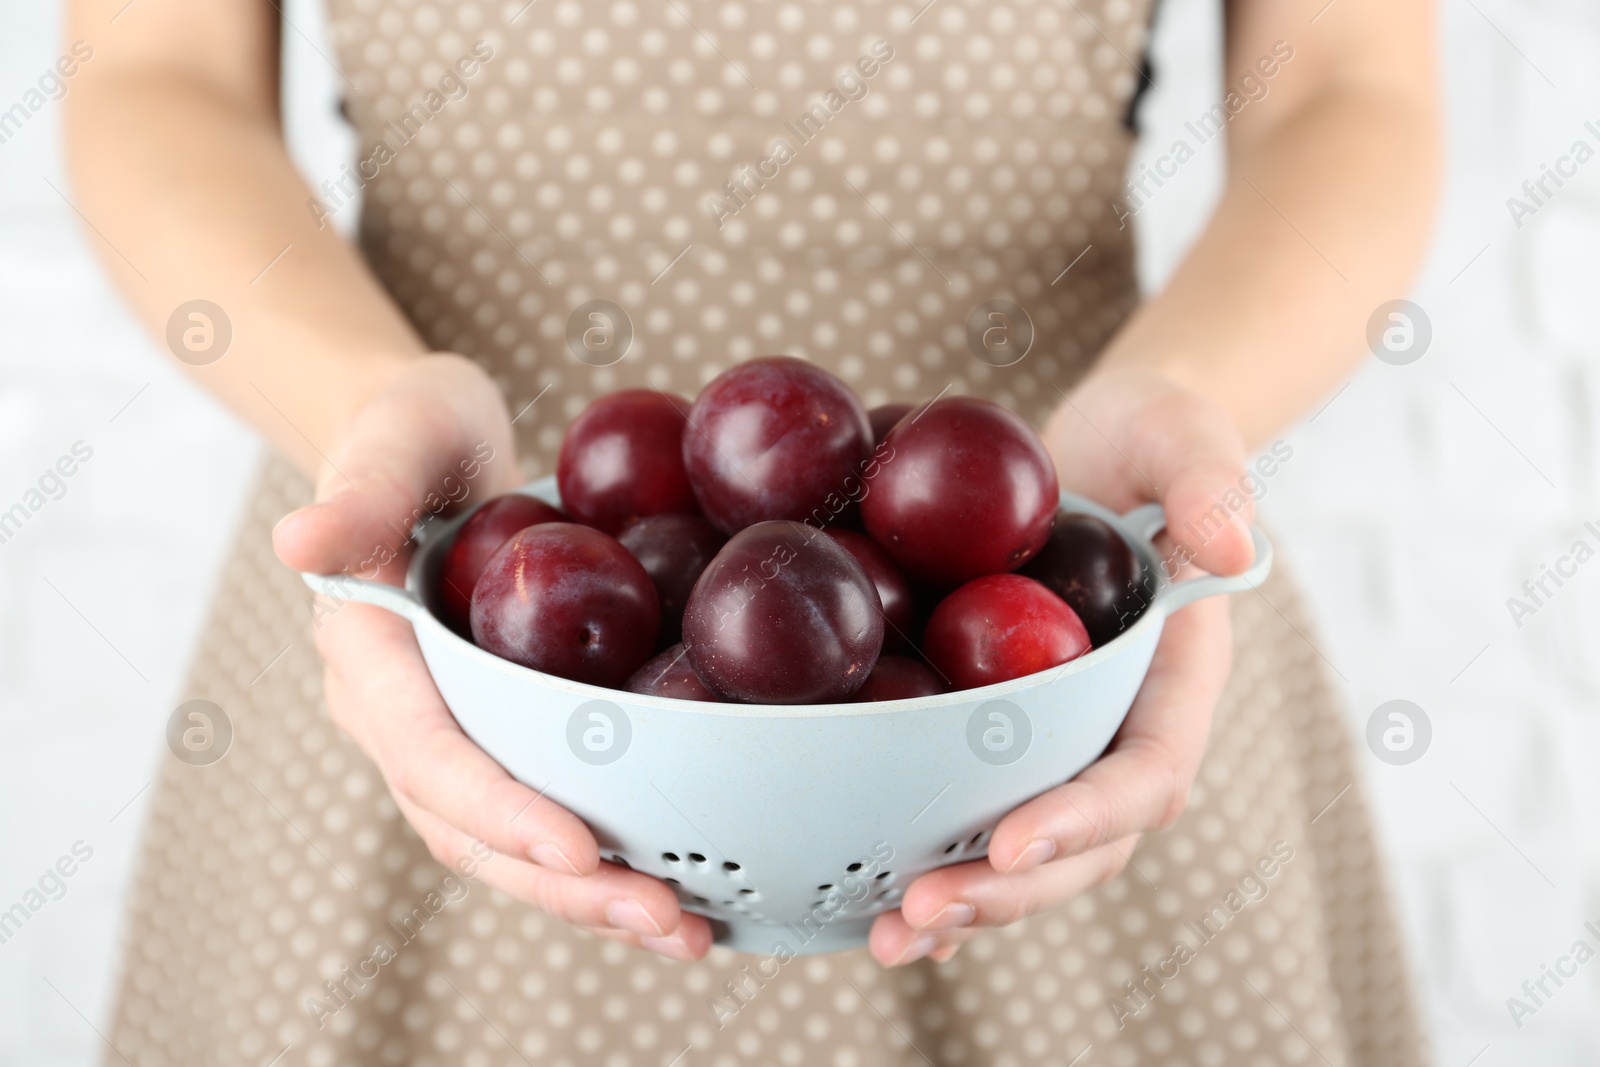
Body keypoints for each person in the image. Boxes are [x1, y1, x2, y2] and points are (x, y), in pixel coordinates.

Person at [66, 0, 1438, 1061]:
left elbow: (1343, 86)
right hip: (446, 635)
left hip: (1058, 661)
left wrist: (1184, 402)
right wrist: (358, 405)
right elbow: (155, 79)